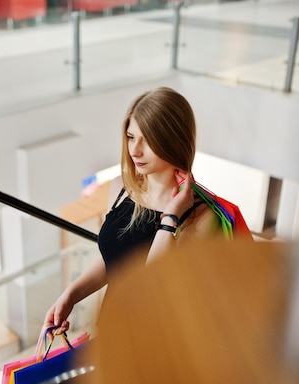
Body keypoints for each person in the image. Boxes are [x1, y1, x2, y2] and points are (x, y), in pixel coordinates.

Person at [45, 86, 226, 334]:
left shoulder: (200, 217)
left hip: (156, 342)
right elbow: (115, 258)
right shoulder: (121, 187)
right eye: (131, 137)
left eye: (147, 140)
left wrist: (170, 217)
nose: (135, 150)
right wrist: (71, 295)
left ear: (174, 141)